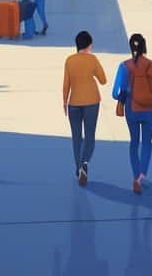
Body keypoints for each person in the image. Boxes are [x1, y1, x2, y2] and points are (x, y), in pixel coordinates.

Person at [114, 33, 152, 194]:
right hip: (150, 110)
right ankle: (142, 175)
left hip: (132, 109)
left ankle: (135, 176)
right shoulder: (151, 65)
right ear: (144, 46)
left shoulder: (124, 66)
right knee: (147, 142)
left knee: (134, 142)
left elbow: (115, 93)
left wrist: (127, 93)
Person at [63, 30, 107, 186]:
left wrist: (64, 102)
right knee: (90, 137)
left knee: (76, 138)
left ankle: (78, 167)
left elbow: (66, 84)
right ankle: (84, 163)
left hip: (73, 102)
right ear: (89, 45)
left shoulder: (69, 60)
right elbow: (103, 80)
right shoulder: (92, 59)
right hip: (91, 102)